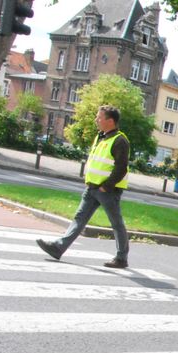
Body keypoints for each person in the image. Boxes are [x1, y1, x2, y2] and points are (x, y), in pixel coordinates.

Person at [36, 105, 131, 268]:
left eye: (99, 117)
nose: (96, 120)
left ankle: (121, 258)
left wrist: (106, 187)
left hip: (107, 191)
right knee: (79, 218)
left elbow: (121, 168)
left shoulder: (120, 140)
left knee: (116, 223)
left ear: (110, 121)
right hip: (92, 188)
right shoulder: (101, 137)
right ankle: (58, 248)